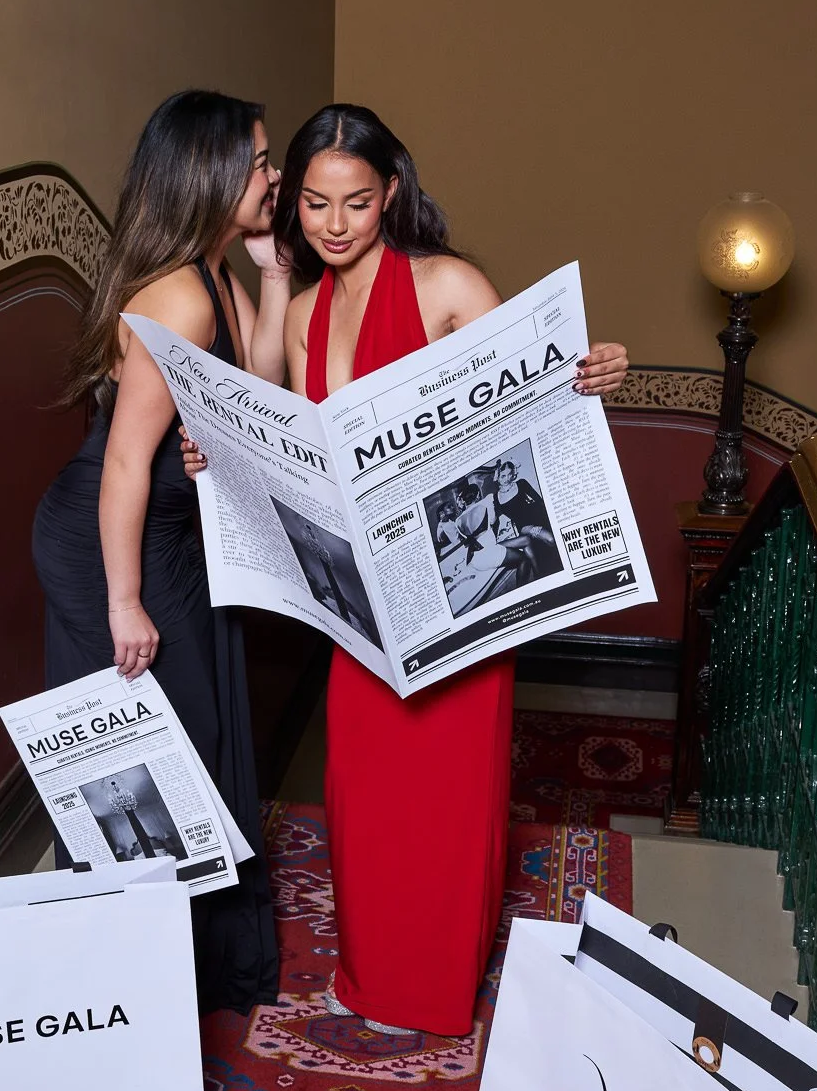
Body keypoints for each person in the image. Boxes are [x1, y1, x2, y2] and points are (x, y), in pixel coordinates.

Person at [188, 103, 627, 1037]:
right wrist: (216, 453)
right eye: (313, 203)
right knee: (367, 800)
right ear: (292, 205)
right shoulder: (303, 309)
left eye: (355, 201)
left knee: (450, 803)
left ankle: (435, 990)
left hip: (455, 594)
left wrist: (589, 372)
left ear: (389, 194)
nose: (335, 224)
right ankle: (373, 974)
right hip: (362, 602)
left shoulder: (448, 285)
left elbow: (531, 390)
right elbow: (280, 431)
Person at [31, 90, 287, 1015]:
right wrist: (123, 602)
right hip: (112, 541)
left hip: (172, 537)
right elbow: (129, 463)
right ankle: (126, 985)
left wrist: (273, 273)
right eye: (259, 161)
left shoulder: (211, 276)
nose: (274, 176)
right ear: (210, 174)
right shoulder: (180, 294)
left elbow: (251, 397)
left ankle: (188, 966)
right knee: (148, 759)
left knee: (202, 733)